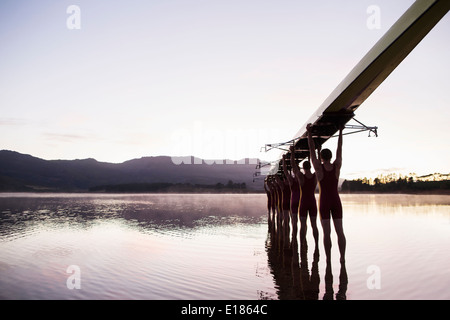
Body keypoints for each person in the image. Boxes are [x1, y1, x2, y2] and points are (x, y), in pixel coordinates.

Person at [307, 123, 346, 264]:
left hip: (324, 202)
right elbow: (339, 149)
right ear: (330, 157)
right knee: (340, 232)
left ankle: (329, 260)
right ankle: (342, 259)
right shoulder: (337, 166)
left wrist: (309, 133)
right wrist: (340, 132)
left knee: (327, 233)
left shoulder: (318, 168)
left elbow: (311, 150)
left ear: (321, 157)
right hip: (336, 201)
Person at [289, 146, 319, 248]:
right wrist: (318, 151)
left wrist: (292, 152)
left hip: (303, 203)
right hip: (312, 202)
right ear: (310, 167)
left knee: (303, 225)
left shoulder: (301, 177)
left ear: (303, 168)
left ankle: (302, 244)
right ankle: (316, 245)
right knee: (314, 225)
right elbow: (317, 165)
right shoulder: (315, 176)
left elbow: (293, 166)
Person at [282, 154, 300, 236]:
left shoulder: (291, 180)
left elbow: (285, 171)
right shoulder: (302, 178)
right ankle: (303, 243)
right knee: (303, 224)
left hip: (292, 201)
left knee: (293, 221)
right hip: (301, 200)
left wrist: (283, 160)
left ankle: (292, 236)